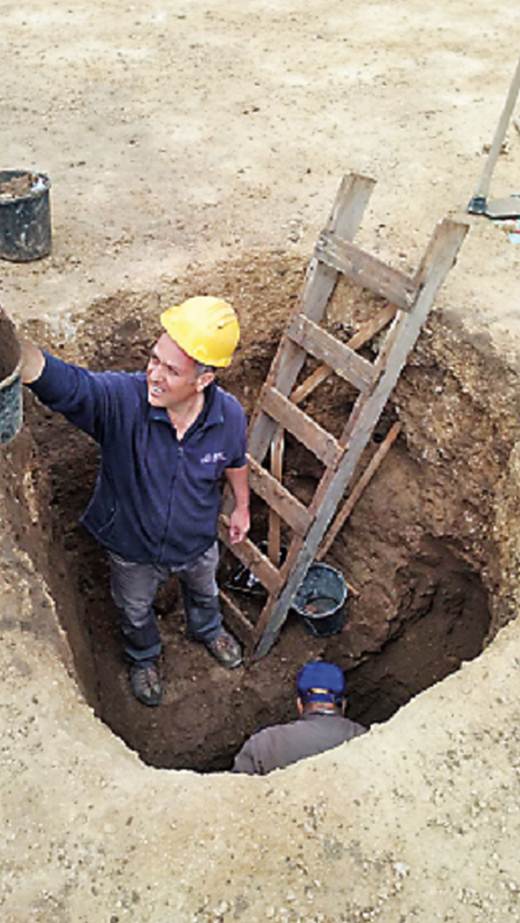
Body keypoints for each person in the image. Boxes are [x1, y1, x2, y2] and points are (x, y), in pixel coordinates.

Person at [20, 296, 250, 707]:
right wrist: (16, 350)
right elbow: (71, 386)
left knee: (204, 591)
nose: (154, 375)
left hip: (197, 541)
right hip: (133, 549)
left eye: (171, 370)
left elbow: (235, 461)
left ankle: (208, 629)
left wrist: (242, 506)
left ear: (203, 380)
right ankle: (143, 657)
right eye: (154, 359)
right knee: (135, 609)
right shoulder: (123, 401)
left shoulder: (229, 416)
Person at [232, 661, 366, 775]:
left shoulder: (262, 744)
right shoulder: (364, 739)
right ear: (344, 704)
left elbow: (234, 790)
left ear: (299, 704)